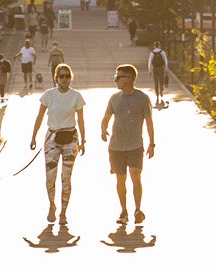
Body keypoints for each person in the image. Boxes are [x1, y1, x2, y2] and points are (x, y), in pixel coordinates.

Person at [29, 62, 86, 230]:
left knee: (66, 177)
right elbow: (39, 117)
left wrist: (83, 140)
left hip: (70, 137)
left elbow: (81, 119)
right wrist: (33, 137)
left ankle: (63, 212)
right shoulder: (49, 95)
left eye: (67, 76)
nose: (64, 79)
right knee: (50, 176)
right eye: (61, 76)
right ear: (56, 78)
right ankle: (52, 204)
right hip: (53, 138)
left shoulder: (76, 96)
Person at [100, 63, 155, 226]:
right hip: (116, 146)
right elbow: (106, 118)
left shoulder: (142, 98)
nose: (115, 80)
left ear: (129, 79)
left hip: (135, 145)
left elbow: (149, 122)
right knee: (120, 179)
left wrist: (152, 143)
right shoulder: (114, 98)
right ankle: (123, 211)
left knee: (135, 174)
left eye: (118, 77)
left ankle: (137, 210)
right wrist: (103, 130)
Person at [148, 43, 169, 109]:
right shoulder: (162, 52)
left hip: (155, 68)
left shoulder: (152, 53)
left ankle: (157, 92)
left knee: (155, 81)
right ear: (159, 45)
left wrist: (150, 70)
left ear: (154, 46)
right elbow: (165, 61)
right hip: (161, 68)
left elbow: (150, 62)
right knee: (161, 79)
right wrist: (166, 69)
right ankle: (161, 90)